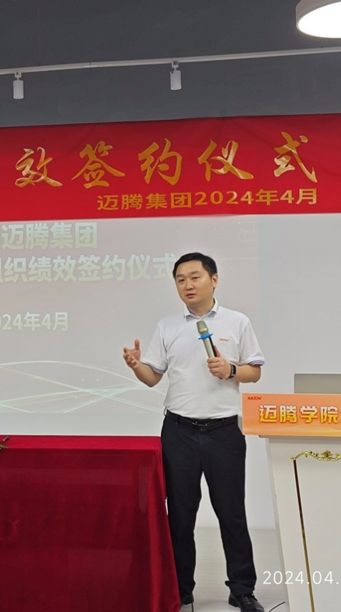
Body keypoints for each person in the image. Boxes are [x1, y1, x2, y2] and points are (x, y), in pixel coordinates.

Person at [123, 252, 265, 612]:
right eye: (180, 279)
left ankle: (242, 588)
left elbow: (254, 371)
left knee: (231, 514)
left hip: (224, 432)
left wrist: (231, 370)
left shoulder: (237, 321)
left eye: (195, 277)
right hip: (179, 432)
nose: (188, 285)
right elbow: (152, 378)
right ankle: (180, 589)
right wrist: (138, 366)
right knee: (180, 516)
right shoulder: (168, 326)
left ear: (213, 280)